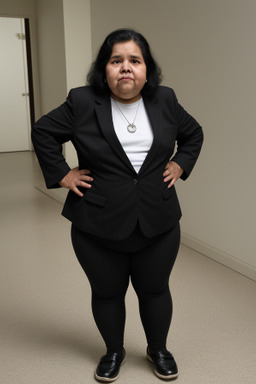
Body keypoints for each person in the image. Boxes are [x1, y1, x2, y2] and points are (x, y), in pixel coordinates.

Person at [32, 28, 203, 382]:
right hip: (97, 222)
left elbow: (193, 134)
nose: (126, 68)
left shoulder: (165, 100)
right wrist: (63, 174)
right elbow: (43, 131)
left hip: (158, 220)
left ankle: (159, 348)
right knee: (107, 293)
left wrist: (180, 163)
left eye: (134, 61)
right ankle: (113, 350)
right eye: (116, 61)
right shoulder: (81, 102)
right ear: (104, 69)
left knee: (155, 289)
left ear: (146, 69)